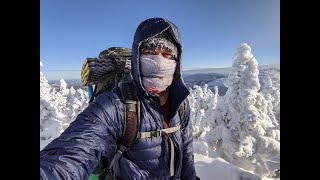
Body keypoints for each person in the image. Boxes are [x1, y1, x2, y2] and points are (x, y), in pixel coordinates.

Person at [40, 17, 198, 180]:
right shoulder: (116, 105)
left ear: (176, 61)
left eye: (167, 54)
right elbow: (70, 156)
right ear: (137, 58)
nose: (159, 62)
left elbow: (186, 149)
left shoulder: (180, 103)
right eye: (150, 53)